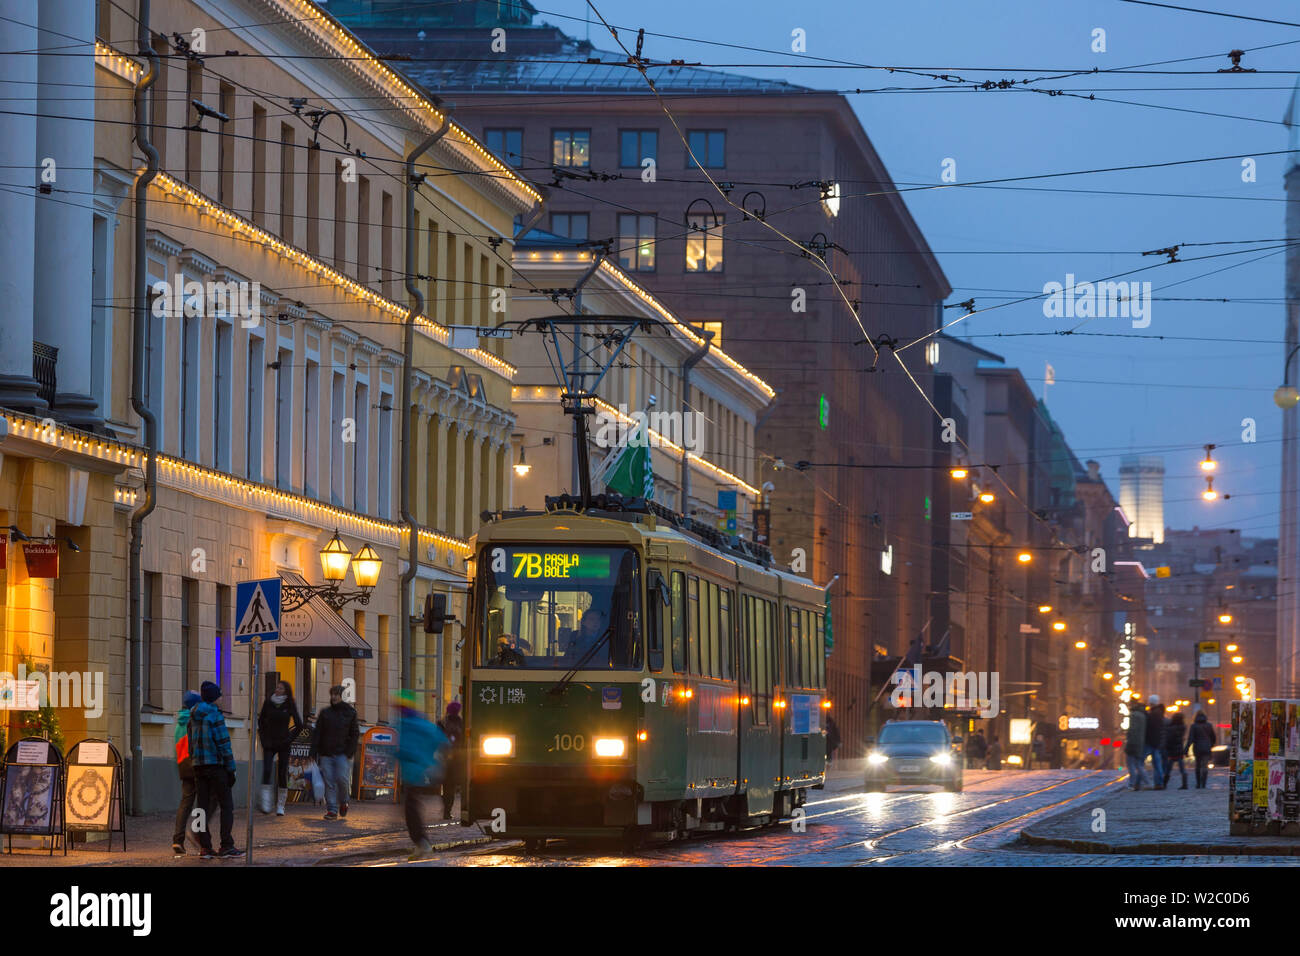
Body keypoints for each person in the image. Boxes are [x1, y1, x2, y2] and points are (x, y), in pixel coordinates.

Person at [188, 681, 243, 858]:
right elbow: (223, 743)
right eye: (219, 696)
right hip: (216, 766)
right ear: (213, 698)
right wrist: (231, 768)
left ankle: (205, 847)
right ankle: (226, 845)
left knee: (201, 806)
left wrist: (194, 760)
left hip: (198, 766)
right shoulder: (215, 715)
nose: (221, 699)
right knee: (227, 805)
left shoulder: (193, 714)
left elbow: (190, 742)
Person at [394, 690, 451, 860]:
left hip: (414, 773)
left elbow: (405, 750)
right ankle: (421, 842)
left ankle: (422, 843)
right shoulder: (423, 723)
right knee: (412, 805)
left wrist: (399, 754)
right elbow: (444, 743)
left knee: (411, 807)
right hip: (429, 771)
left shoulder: (405, 725)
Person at [171, 690, 214, 855]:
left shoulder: (179, 722)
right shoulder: (195, 720)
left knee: (185, 803)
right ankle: (196, 832)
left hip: (183, 766)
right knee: (205, 801)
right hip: (197, 764)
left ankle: (177, 840)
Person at [311, 685, 359, 821]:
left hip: (343, 754)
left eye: (336, 694)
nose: (333, 697)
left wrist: (349, 752)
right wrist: (313, 751)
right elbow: (318, 733)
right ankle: (332, 810)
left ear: (342, 696)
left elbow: (354, 733)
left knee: (342, 779)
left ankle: (344, 801)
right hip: (326, 753)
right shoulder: (325, 713)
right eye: (332, 694)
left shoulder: (351, 713)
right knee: (329, 781)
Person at [258, 680, 302, 815]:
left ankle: (281, 805)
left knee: (282, 772)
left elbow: (299, 725)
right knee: (266, 769)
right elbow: (261, 722)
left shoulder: (289, 704)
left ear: (286, 691)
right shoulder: (268, 702)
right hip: (269, 742)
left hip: (283, 743)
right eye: (277, 687)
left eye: (281, 688)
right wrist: (264, 739)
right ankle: (266, 802)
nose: (277, 690)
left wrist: (289, 739)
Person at [437, 701, 465, 820]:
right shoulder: (461, 723)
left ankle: (446, 810)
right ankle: (447, 811)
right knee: (451, 787)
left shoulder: (442, 722)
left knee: (447, 786)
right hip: (456, 760)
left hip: (444, 758)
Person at [1187, 709, 1218, 789]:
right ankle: (1203, 783)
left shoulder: (1193, 726)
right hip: (1207, 748)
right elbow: (1213, 737)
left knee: (1197, 766)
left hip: (1197, 748)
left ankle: (1198, 784)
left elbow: (1190, 739)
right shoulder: (1209, 725)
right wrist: (1211, 745)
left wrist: (1186, 749)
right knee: (1204, 766)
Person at [1143, 696, 1166, 789]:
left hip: (1151, 742)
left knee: (1139, 762)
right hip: (1157, 741)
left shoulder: (1153, 713)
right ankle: (1159, 783)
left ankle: (1141, 783)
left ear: (1151, 702)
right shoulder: (1159, 712)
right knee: (1157, 763)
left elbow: (1150, 728)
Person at [1124, 699, 1148, 790]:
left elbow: (1132, 730)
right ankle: (1147, 782)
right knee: (1138, 764)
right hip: (1140, 743)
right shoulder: (1143, 714)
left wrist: (1129, 741)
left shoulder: (1134, 715)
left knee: (1131, 764)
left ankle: (1131, 784)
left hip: (1133, 743)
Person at [1162, 710, 1188, 789]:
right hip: (1179, 749)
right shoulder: (1183, 727)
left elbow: (1168, 739)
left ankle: (1164, 784)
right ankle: (1185, 784)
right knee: (1182, 768)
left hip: (1172, 750)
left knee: (1168, 769)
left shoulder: (1170, 728)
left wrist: (1166, 747)